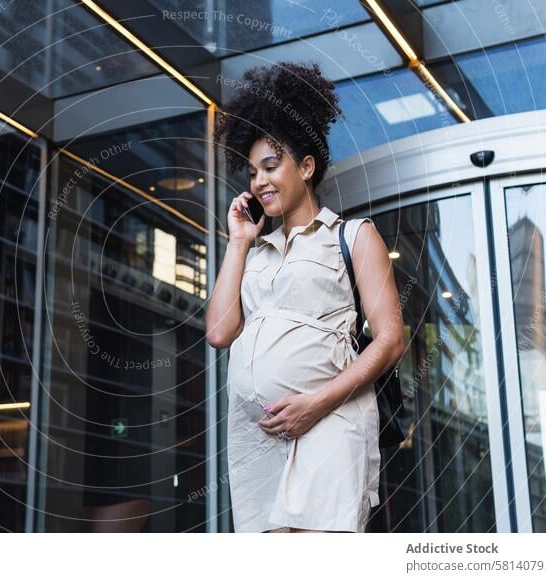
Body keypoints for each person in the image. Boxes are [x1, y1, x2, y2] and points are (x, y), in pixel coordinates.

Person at [206, 62, 405, 533]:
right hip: (258, 442)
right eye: (253, 172)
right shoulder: (255, 255)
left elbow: (391, 340)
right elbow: (218, 332)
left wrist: (316, 403)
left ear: (307, 166)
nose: (259, 182)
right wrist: (238, 241)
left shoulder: (354, 236)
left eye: (271, 167)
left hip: (329, 426)